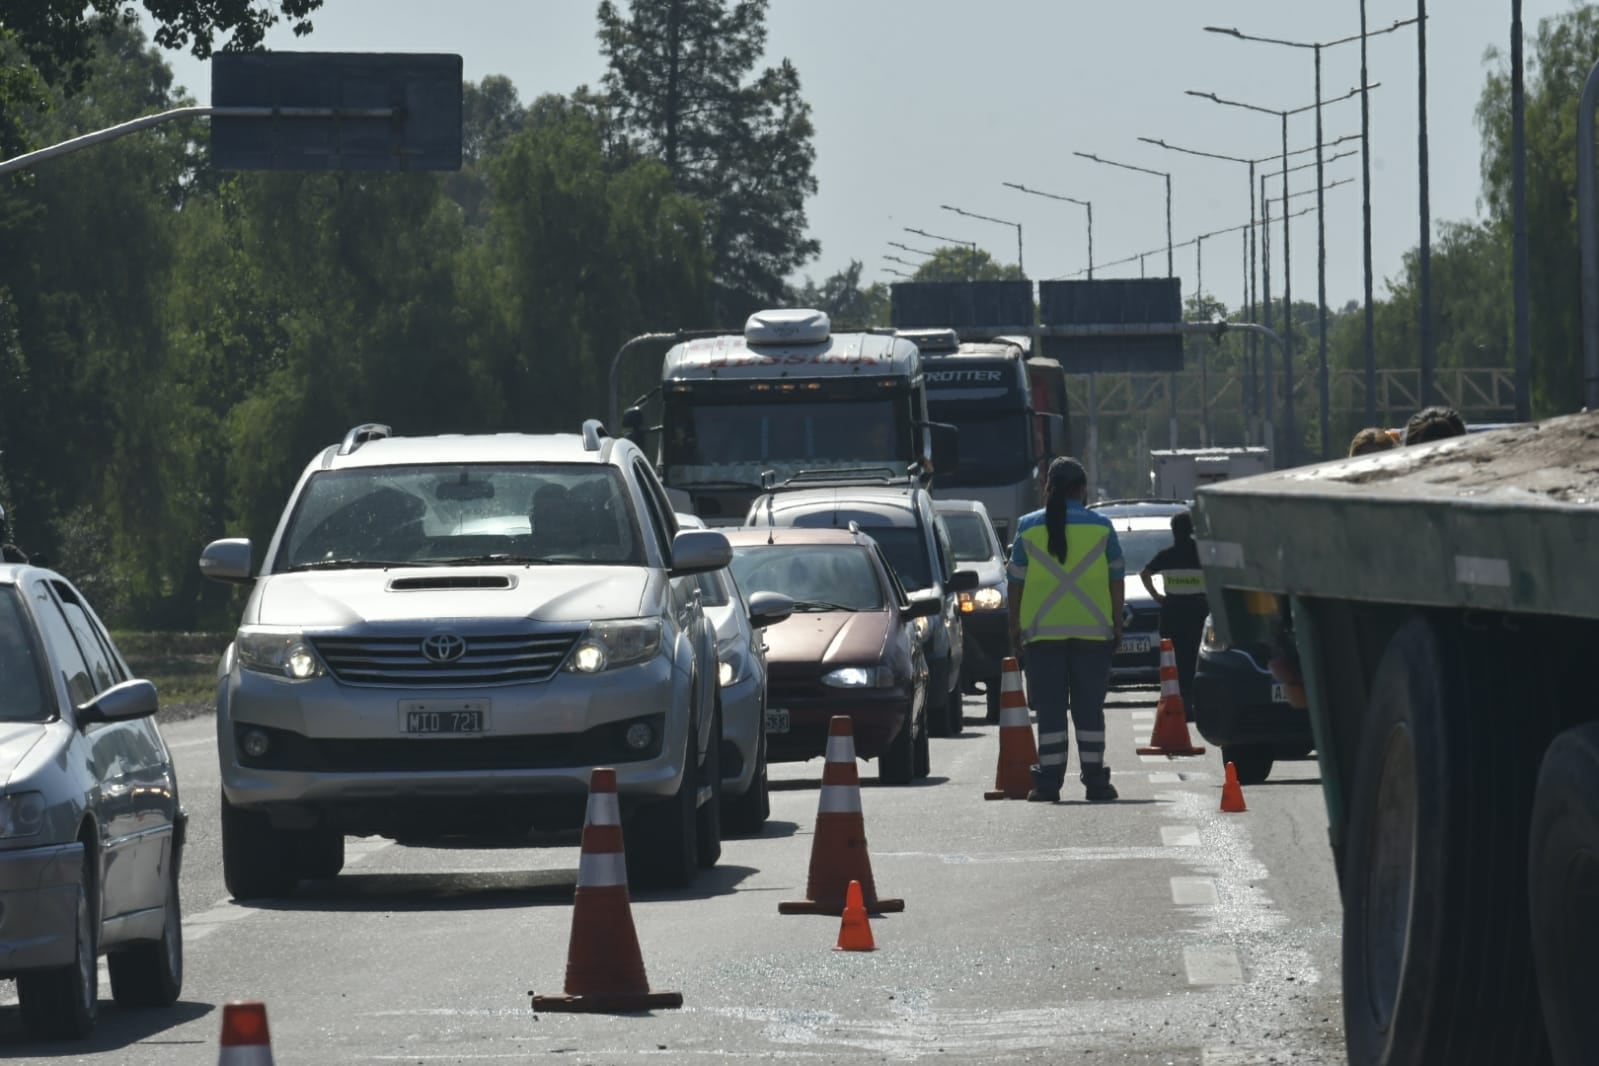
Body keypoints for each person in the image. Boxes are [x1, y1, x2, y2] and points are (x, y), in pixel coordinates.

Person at [1007, 456, 1124, 803]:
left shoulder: (1027, 528)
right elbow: (1116, 580)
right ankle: (1096, 782)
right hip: (1093, 635)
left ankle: (1048, 783)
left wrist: (1015, 627)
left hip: (1042, 637)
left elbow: (1015, 583)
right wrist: (1117, 625)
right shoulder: (1102, 528)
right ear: (1083, 489)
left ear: (1049, 488)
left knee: (1050, 711)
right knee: (1089, 711)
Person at [1139, 511, 1208, 711]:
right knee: (1196, 657)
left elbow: (1145, 574)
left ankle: (1177, 699)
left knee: (1175, 660)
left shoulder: (1166, 555)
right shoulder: (1201, 555)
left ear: (1173, 531)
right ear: (1192, 529)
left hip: (1173, 612)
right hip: (1198, 613)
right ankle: (1195, 701)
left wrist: (1157, 597)